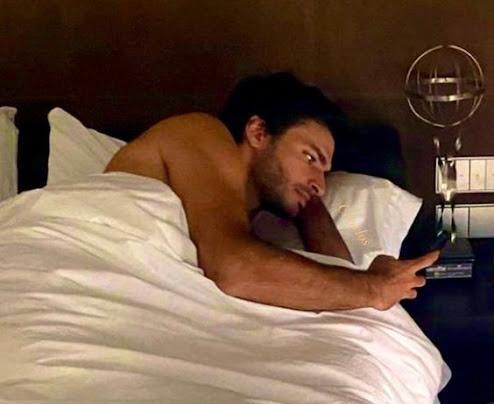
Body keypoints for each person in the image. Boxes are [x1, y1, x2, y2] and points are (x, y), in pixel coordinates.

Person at [104, 72, 438, 311]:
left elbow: (337, 271)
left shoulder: (249, 218)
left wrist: (308, 202)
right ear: (258, 132)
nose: (320, 183)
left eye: (324, 172)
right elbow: (234, 268)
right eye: (310, 157)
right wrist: (372, 288)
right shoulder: (201, 132)